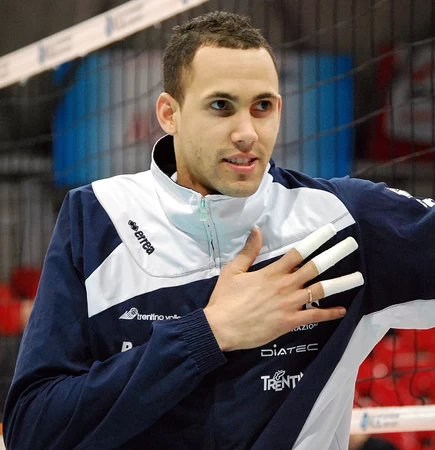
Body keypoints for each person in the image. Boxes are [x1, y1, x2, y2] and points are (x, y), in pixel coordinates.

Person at [3, 11, 435, 450]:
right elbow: (32, 430)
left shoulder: (345, 219)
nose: (247, 133)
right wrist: (207, 334)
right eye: (220, 106)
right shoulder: (98, 216)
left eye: (262, 107)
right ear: (169, 114)